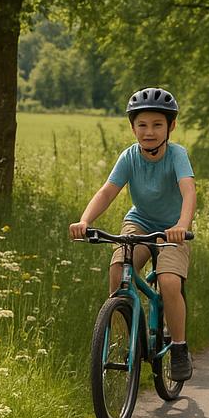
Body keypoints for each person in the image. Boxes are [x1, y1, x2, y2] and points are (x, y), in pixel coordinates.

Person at [69, 88, 196, 381]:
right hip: (139, 222)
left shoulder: (177, 155)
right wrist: (85, 220)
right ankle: (134, 338)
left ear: (170, 127)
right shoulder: (128, 156)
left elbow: (189, 192)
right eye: (142, 125)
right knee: (117, 271)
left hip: (172, 229)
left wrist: (182, 224)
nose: (149, 131)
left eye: (156, 125)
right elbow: (107, 191)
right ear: (133, 127)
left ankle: (179, 347)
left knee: (167, 281)